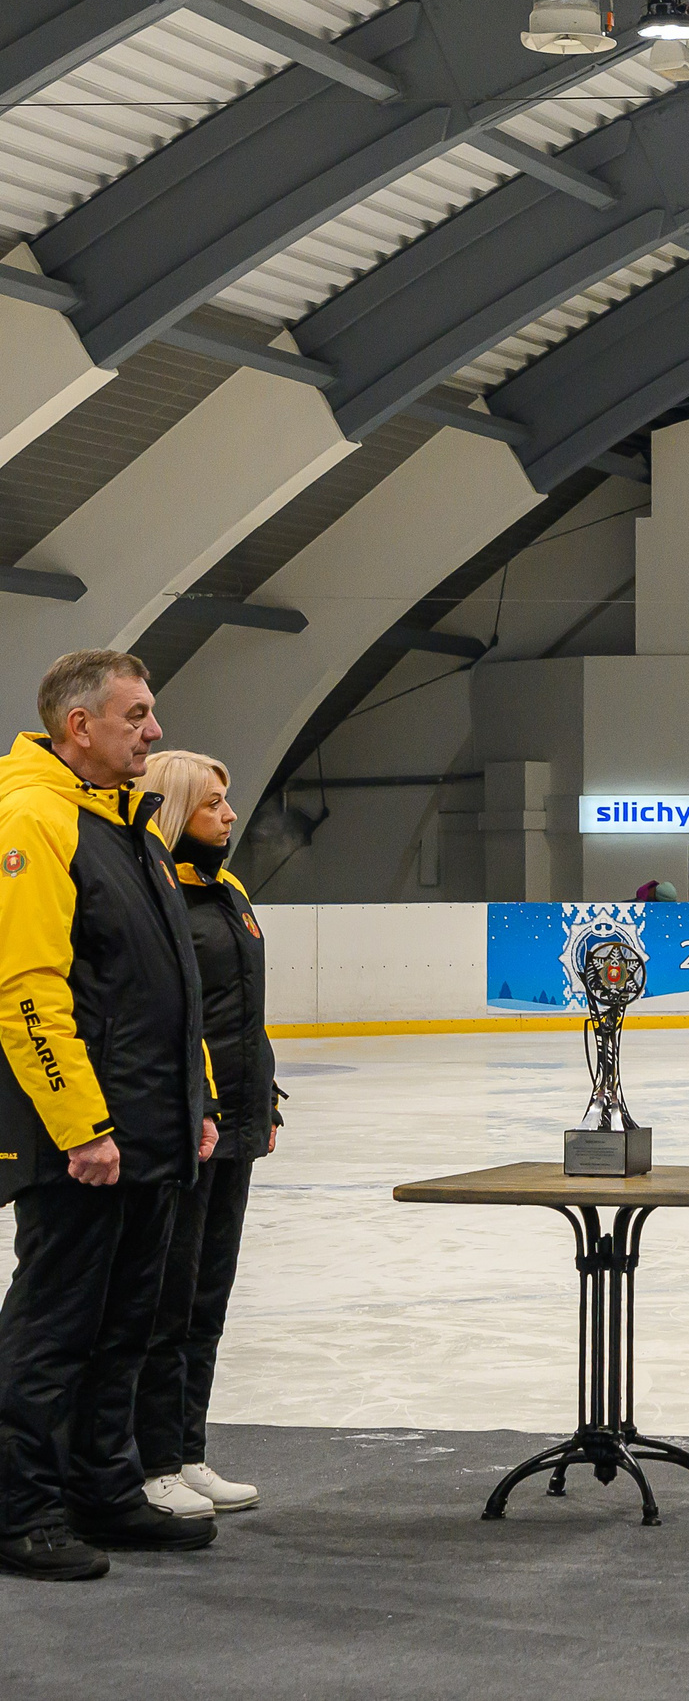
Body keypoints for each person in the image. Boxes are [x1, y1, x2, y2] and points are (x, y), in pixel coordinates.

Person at [0, 650, 220, 1581]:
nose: (155, 732)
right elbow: (26, 990)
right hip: (83, 1141)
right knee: (56, 1327)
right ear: (77, 725)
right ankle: (20, 1510)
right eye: (136, 716)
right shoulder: (34, 819)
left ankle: (103, 1487)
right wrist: (81, 1124)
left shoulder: (128, 824)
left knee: (127, 1321)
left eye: (152, 713)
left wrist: (196, 1100)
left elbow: (171, 983)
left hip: (151, 1131)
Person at [134, 751, 274, 1521]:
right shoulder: (160, 901)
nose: (227, 815)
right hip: (187, 1124)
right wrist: (204, 1109)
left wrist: (264, 1106)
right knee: (169, 1298)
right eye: (212, 803)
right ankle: (150, 1459)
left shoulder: (229, 892)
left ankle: (187, 1448)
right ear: (172, 811)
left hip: (236, 1125)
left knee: (209, 1295)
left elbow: (246, 1013)